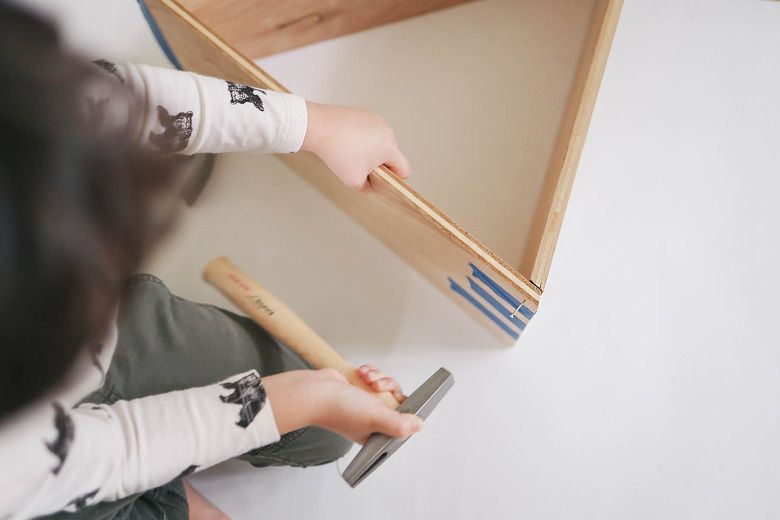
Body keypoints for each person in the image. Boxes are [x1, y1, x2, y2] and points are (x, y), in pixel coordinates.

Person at [0, 2, 420, 519]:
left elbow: (118, 103)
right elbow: (109, 454)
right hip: (47, 472)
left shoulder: (22, 100)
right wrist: (293, 401)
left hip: (105, 359)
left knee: (325, 437)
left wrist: (312, 126)